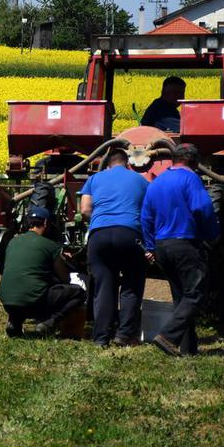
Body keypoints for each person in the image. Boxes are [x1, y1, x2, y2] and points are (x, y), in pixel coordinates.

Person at [141, 143, 220, 356]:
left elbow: (145, 217)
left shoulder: (156, 183)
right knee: (195, 293)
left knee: (181, 297)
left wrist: (150, 246)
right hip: (184, 243)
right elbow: (202, 208)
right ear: (194, 162)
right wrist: (211, 234)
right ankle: (168, 336)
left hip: (162, 246)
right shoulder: (190, 178)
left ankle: (188, 350)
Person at [80, 147, 150, 347]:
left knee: (103, 287)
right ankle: (124, 335)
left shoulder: (94, 179)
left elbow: (85, 209)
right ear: (128, 163)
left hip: (99, 235)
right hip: (130, 234)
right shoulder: (140, 180)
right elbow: (148, 210)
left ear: (108, 163)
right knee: (131, 285)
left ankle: (101, 338)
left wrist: (100, 221)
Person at [0, 206, 87, 338]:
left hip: (7, 301)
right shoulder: (50, 246)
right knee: (78, 293)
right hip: (33, 304)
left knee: (22, 287)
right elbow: (65, 279)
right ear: (45, 223)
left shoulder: (12, 242)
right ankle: (50, 323)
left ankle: (14, 322)